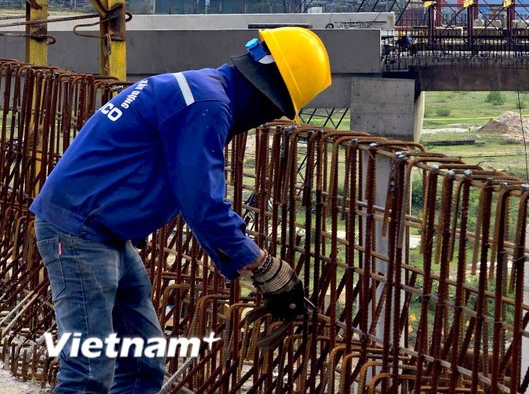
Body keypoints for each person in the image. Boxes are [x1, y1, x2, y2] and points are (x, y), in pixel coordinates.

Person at [30, 26, 331, 394]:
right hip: (78, 232)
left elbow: (194, 196)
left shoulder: (202, 90)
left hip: (106, 234)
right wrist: (262, 266)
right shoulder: (206, 104)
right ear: (267, 94)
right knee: (88, 371)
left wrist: (246, 262)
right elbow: (203, 204)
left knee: (144, 365)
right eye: (276, 111)